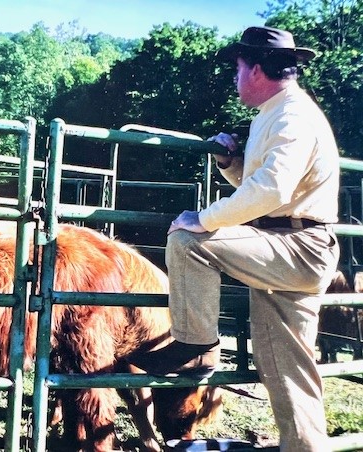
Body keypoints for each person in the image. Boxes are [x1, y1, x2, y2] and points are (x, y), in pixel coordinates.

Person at [127, 26, 340, 452]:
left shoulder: (291, 116)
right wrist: (230, 161)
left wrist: (202, 219)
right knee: (288, 373)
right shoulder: (280, 113)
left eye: (238, 68)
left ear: (257, 69)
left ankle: (196, 349)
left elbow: (273, 192)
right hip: (293, 245)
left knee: (190, 243)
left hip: (296, 247)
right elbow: (271, 187)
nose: (235, 78)